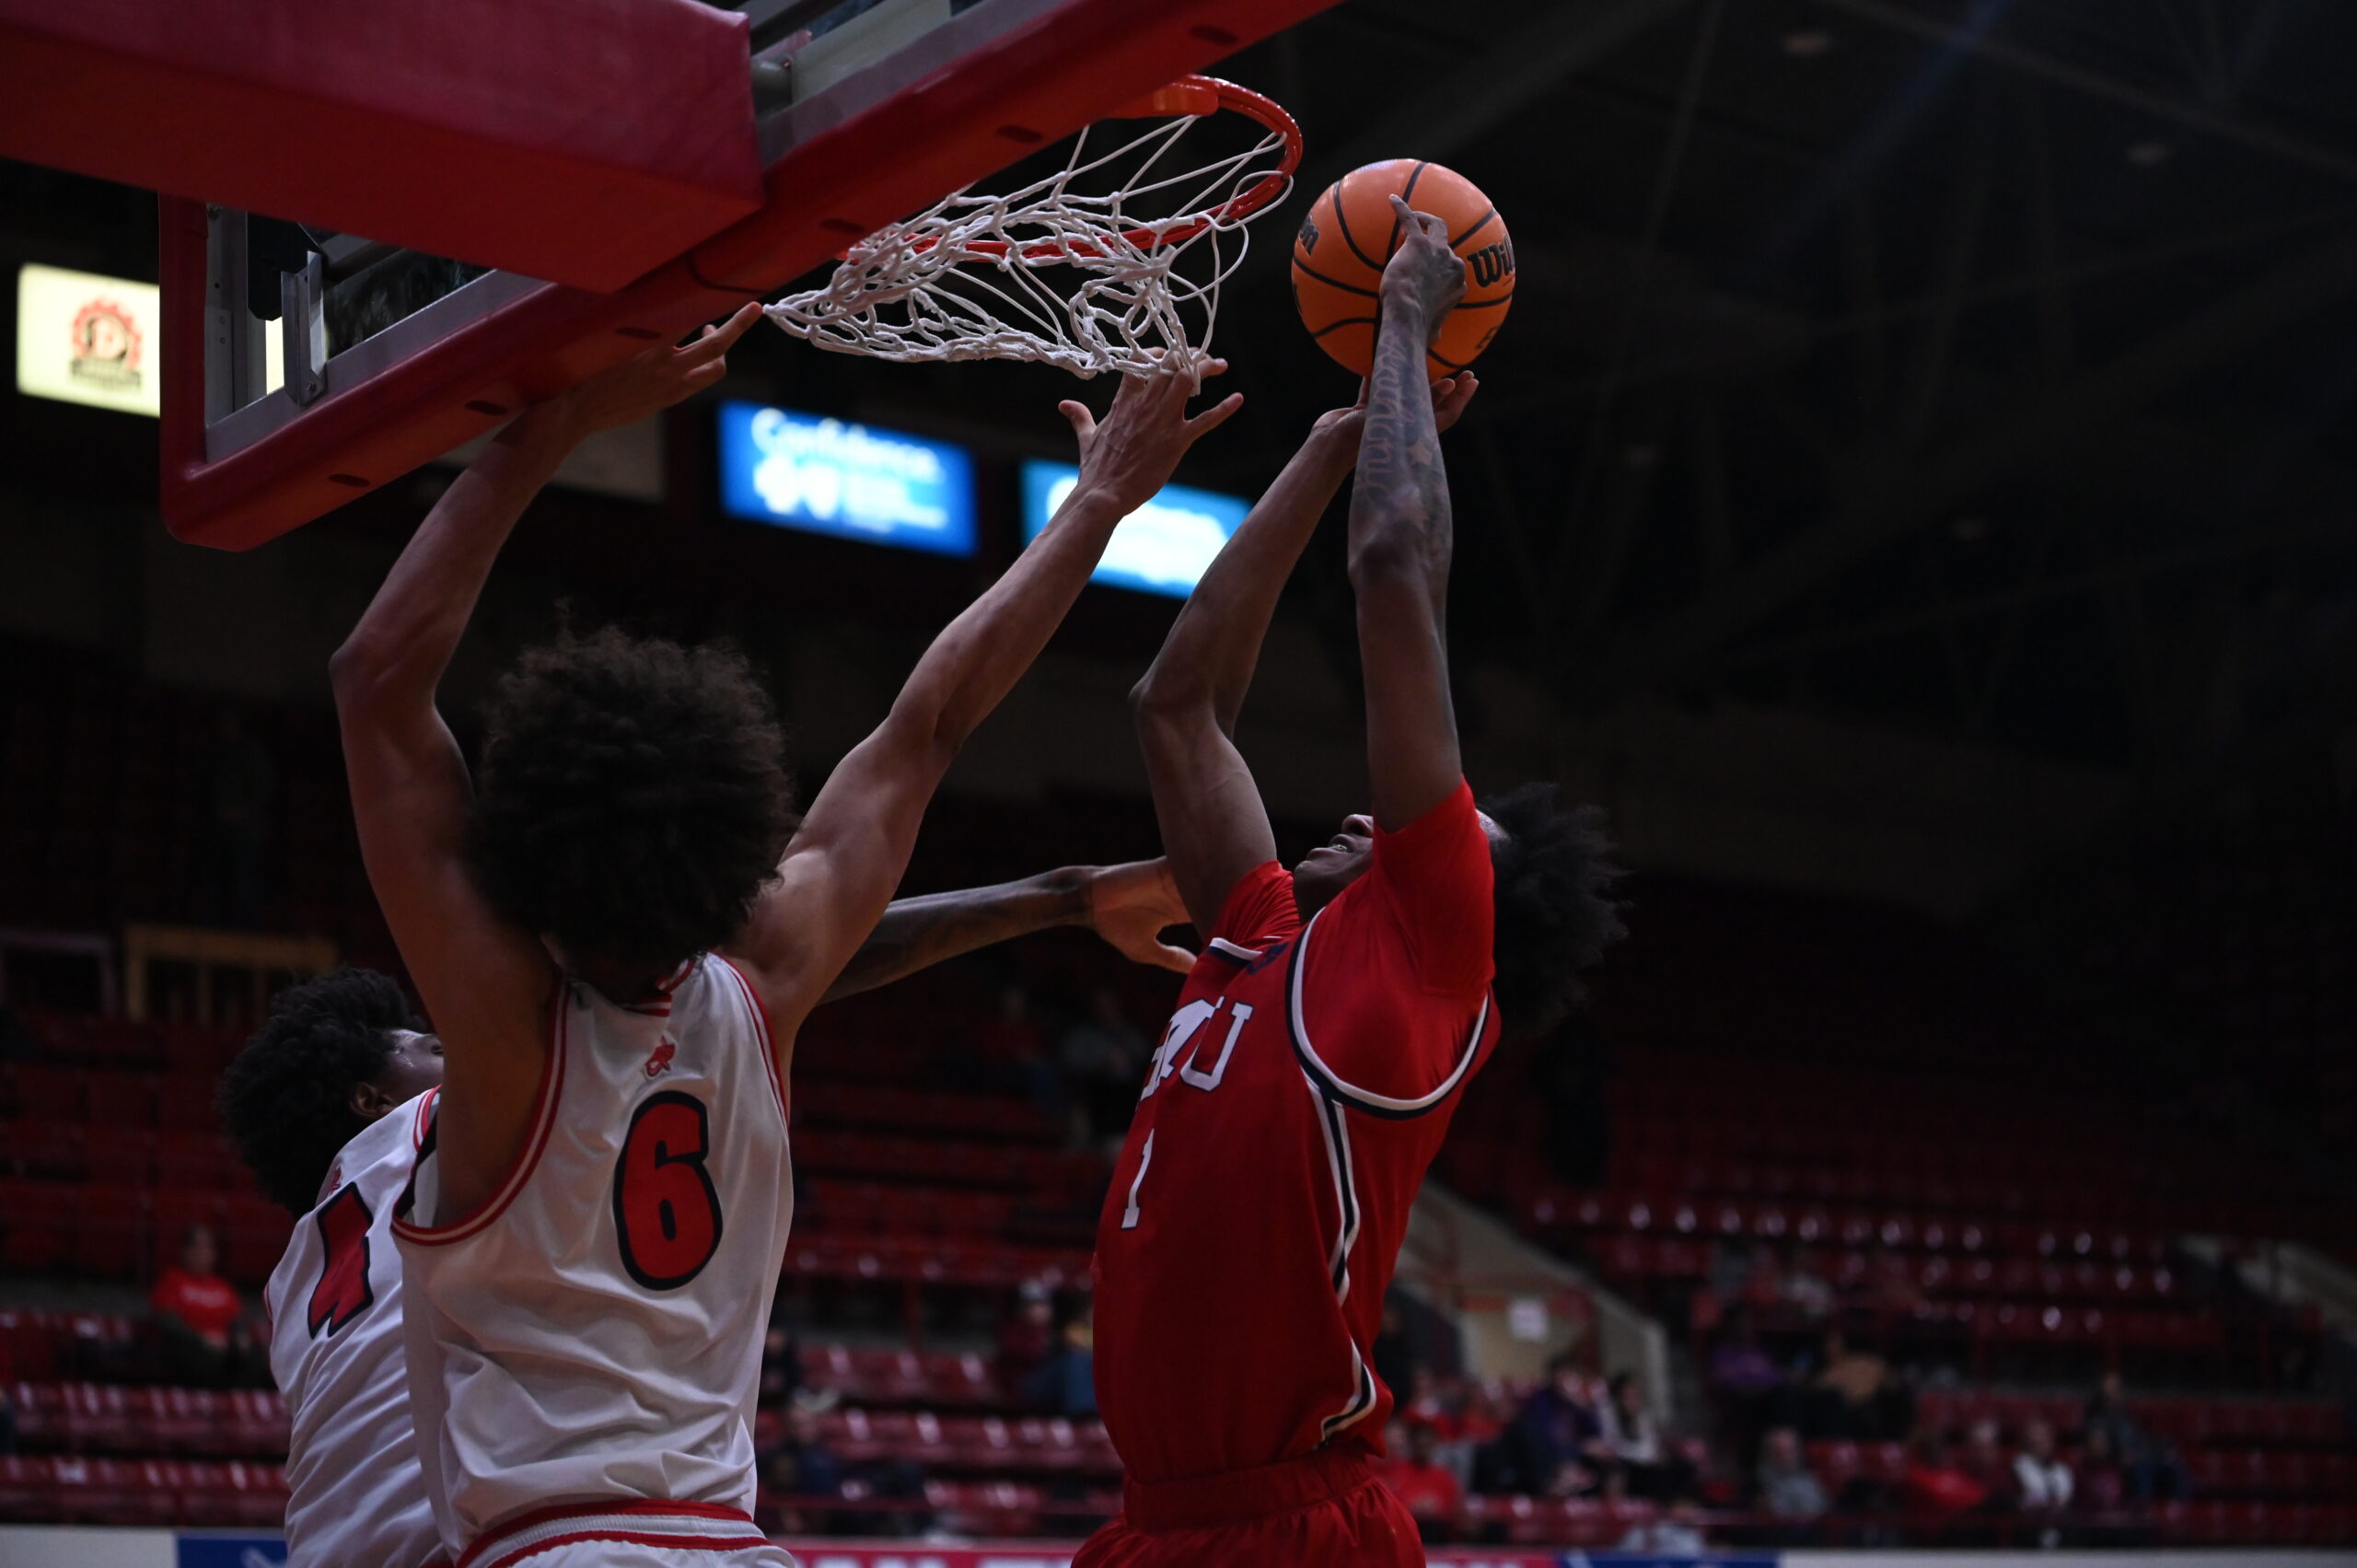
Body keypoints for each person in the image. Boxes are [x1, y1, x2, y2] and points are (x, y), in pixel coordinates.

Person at [331, 317, 1237, 1568]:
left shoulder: (498, 1023)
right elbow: (932, 718)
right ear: (731, 851)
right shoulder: (766, 977)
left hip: (557, 1544)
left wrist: (542, 434)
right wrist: (1098, 504)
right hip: (733, 1541)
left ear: (526, 855)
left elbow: (377, 677)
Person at [1081, 199, 1626, 1568]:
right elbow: (1176, 705)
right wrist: (1328, 450)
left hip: (1294, 1526)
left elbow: (1397, 565)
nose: (1384, 812)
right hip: (1154, 1521)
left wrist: (1400, 320)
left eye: (1431, 827)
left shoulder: (1436, 952)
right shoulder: (1260, 932)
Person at [221, 865, 1187, 1568]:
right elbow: (765, 979)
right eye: (426, 1041)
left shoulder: (296, 1279)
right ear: (366, 1095)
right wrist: (1062, 897)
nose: (455, 1045)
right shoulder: (452, 1117)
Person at [151, 1225, 262, 1388]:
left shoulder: (223, 1286)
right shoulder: (172, 1281)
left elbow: (236, 1319)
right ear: (185, 1251)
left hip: (224, 1347)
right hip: (192, 1347)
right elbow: (167, 1320)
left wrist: (240, 1337)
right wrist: (202, 1338)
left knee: (258, 1357)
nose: (205, 1253)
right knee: (203, 1360)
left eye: (209, 1247)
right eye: (199, 1247)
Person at [1376, 1421, 1462, 1546]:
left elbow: (1455, 1510)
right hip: (1401, 1534)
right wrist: (1412, 1507)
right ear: (1412, 1444)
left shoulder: (1445, 1476)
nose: (1423, 1448)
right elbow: (1387, 1503)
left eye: (1427, 1444)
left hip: (1437, 1537)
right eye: (1419, 1444)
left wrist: (1436, 1509)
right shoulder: (1395, 1469)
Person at [1755, 1426, 1829, 1520]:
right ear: (1768, 1453)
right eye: (1778, 1452)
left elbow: (1817, 1512)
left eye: (1790, 1451)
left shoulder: (1810, 1482)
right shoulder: (1758, 1484)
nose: (1785, 1457)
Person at [2013, 1418, 2073, 1512]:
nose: (2041, 1443)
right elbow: (2033, 1496)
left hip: (2058, 1521)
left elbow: (2064, 1499)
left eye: (2044, 1438)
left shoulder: (2062, 1469)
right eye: (2036, 1438)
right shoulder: (2020, 1465)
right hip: (2028, 1521)